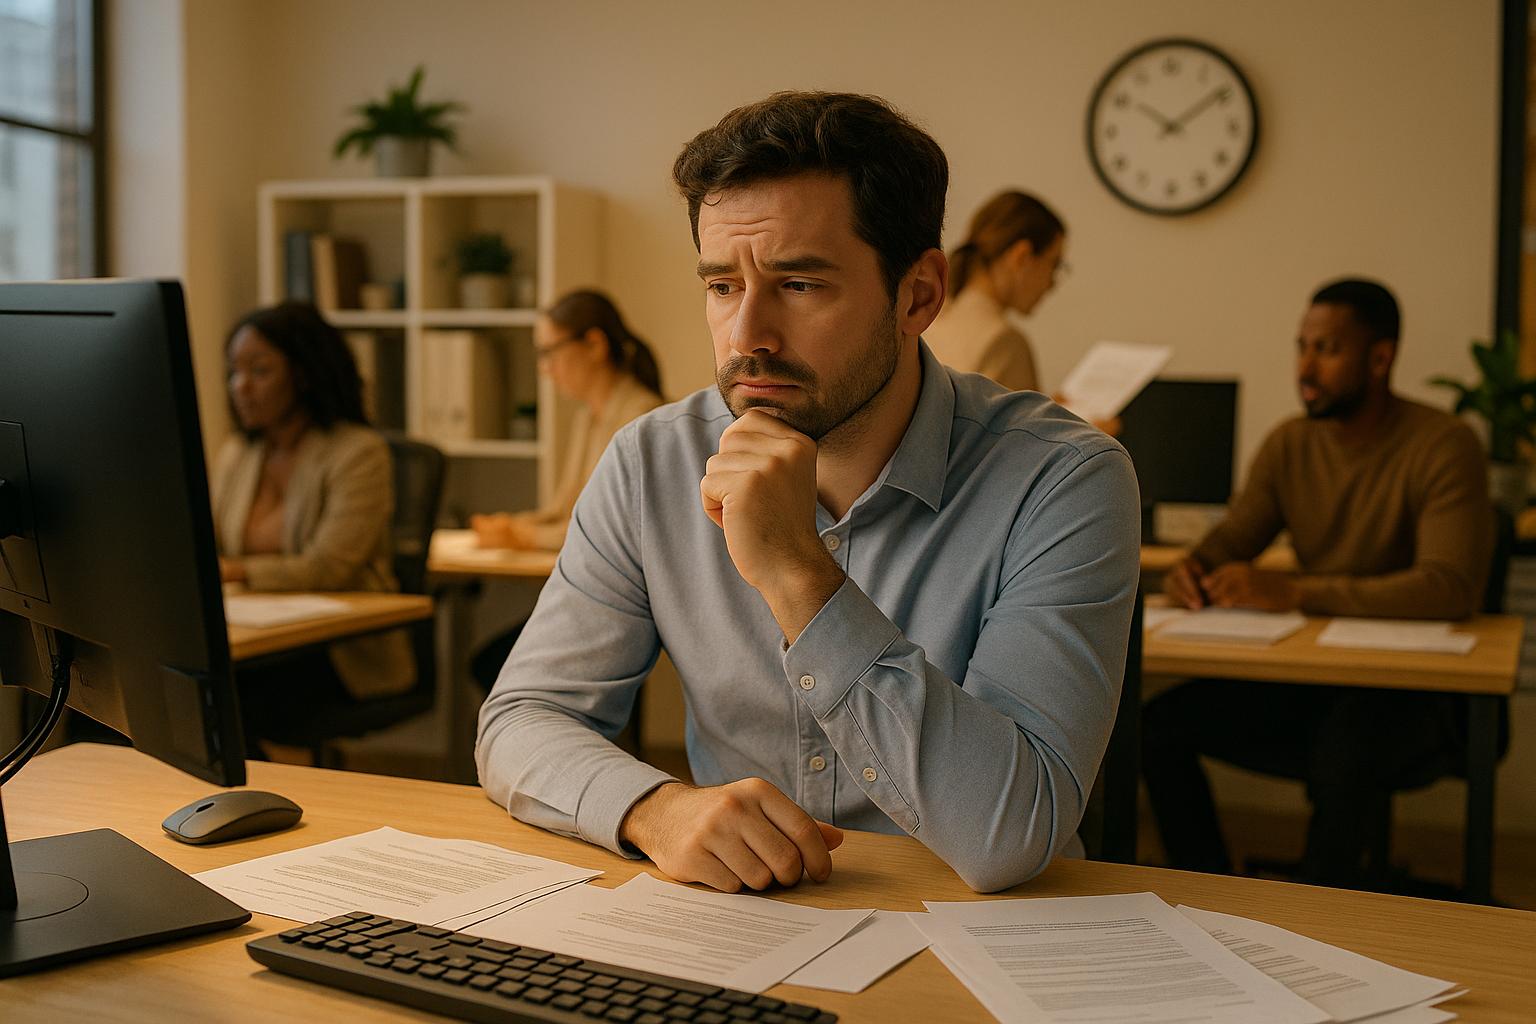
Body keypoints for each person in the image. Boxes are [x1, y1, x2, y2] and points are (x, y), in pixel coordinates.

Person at [477, 91, 1140, 895]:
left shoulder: (1063, 479)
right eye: (722, 286)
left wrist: (800, 575)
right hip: (734, 925)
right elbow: (520, 720)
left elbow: (1012, 832)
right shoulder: (650, 462)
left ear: (918, 295)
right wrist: (655, 810)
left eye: (797, 284)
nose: (746, 336)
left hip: (976, 941)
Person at [1142, 278, 1493, 888]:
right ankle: (1211, 892)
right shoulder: (1290, 444)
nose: (1305, 367)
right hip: (1314, 679)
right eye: (1301, 346)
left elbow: (1448, 587)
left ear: (1380, 359)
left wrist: (1298, 591)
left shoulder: (1444, 445)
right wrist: (1188, 577)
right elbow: (1223, 546)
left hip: (1410, 691)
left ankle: (1318, 916)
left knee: (1346, 749)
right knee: (1154, 726)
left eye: (1327, 349)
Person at [211, 301, 413, 746]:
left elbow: (329, 567)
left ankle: (259, 805)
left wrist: (238, 570)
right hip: (259, 634)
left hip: (340, 650)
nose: (241, 387)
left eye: (259, 371)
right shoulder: (239, 454)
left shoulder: (357, 452)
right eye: (234, 372)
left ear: (304, 373)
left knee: (228, 704)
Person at [467, 290, 665, 688]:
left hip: (622, 600)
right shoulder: (588, 418)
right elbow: (564, 508)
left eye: (549, 352)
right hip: (592, 587)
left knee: (494, 667)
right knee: (492, 664)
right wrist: (511, 524)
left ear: (593, 344)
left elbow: (605, 532)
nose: (545, 369)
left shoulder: (641, 418)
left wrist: (520, 536)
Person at [923, 190, 1066, 394]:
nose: (1052, 283)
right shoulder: (1004, 341)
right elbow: (1016, 427)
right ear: (1022, 256)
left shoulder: (931, 317)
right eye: (1054, 264)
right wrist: (1088, 425)